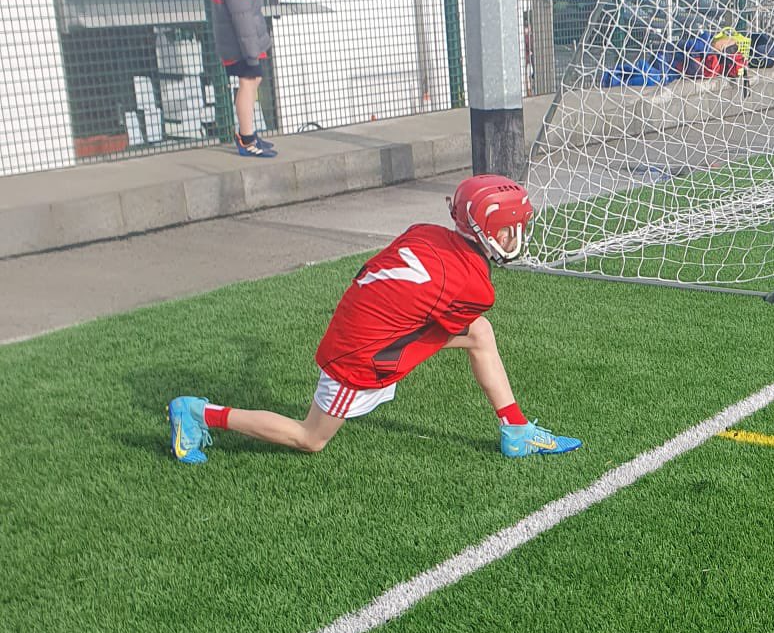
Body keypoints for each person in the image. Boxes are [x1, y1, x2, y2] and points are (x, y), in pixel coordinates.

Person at [166, 176, 581, 464]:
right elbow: (430, 324)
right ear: (486, 230)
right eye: (510, 229)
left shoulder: (429, 232)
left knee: (480, 334)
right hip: (360, 354)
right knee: (310, 438)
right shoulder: (473, 285)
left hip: (365, 320)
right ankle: (197, 413)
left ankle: (515, 430)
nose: (515, 237)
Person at [201, 0, 274, 159]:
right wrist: (252, 51)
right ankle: (246, 139)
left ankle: (249, 133)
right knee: (248, 81)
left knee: (253, 81)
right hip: (241, 41)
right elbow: (241, 13)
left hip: (242, 38)